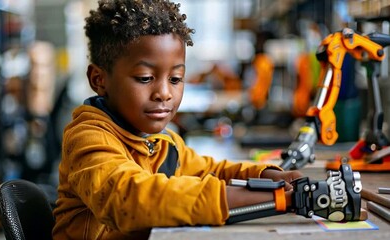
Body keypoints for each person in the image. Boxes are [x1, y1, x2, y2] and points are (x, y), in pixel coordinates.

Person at [52, 0, 303, 239]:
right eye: (145, 78)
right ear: (99, 80)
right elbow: (129, 199)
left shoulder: (162, 141)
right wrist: (267, 197)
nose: (164, 93)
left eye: (175, 79)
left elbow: (210, 172)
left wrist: (267, 175)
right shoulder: (87, 138)